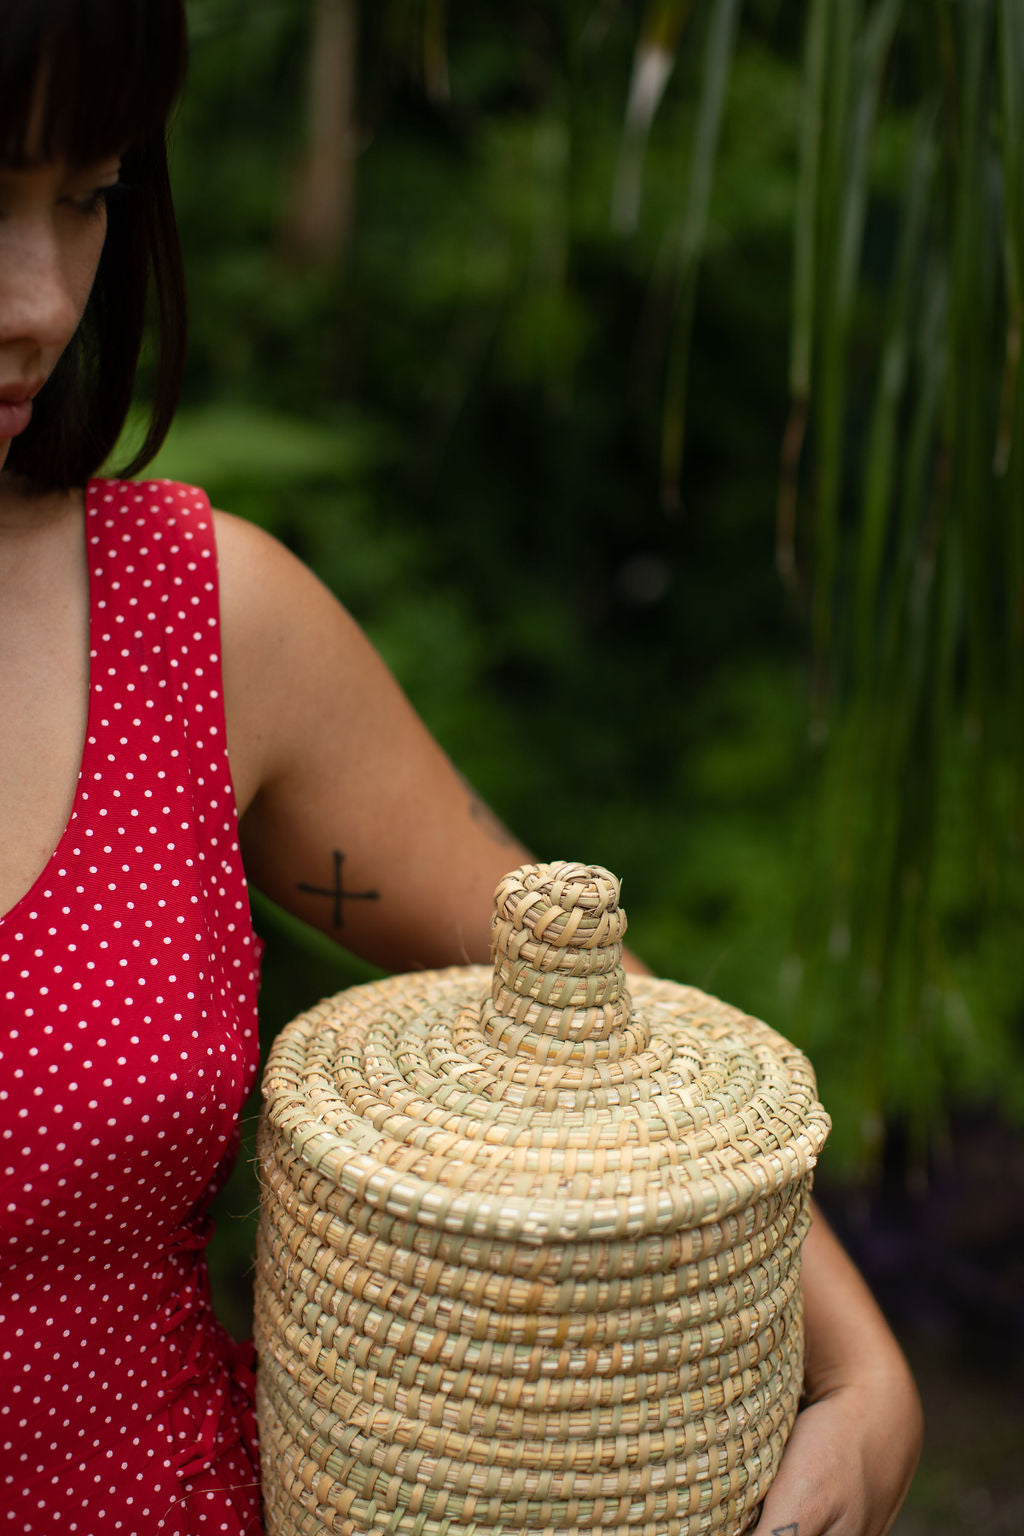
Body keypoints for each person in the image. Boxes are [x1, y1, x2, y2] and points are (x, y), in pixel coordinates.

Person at [0, 2, 922, 1533]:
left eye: (85, 198)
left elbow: (572, 989)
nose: (39, 300)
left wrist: (867, 1379)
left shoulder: (194, 623)